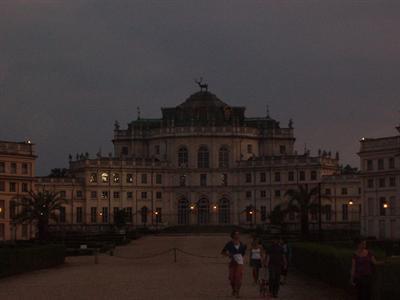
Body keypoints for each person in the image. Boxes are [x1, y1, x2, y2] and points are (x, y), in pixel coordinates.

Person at [221, 230, 247, 298]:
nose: (238, 236)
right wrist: (228, 254)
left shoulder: (242, 244)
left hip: (240, 262)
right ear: (233, 236)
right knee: (232, 278)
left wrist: (239, 258)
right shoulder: (229, 244)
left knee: (238, 277)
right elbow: (223, 252)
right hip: (232, 262)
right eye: (236, 234)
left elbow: (243, 253)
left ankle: (237, 292)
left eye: (238, 234)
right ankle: (234, 290)